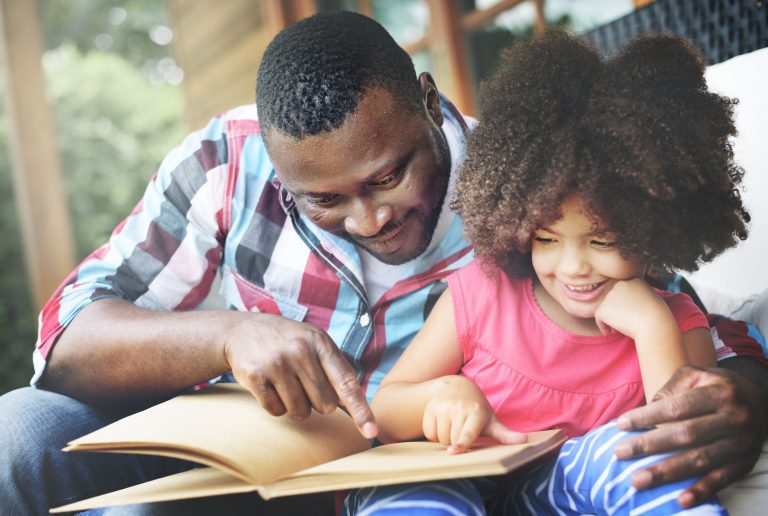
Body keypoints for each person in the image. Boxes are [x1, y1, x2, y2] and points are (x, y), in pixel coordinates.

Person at [0, 11, 765, 515]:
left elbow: (687, 323)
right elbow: (66, 343)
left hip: (393, 478)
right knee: (19, 436)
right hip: (233, 452)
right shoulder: (224, 163)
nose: (369, 218)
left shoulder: (527, 187)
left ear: (429, 104)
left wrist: (743, 394)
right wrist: (226, 336)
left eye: (389, 176)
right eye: (323, 200)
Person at [344, 29, 751, 515]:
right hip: (457, 476)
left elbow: (681, 449)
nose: (574, 267)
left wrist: (651, 326)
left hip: (559, 491)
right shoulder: (483, 293)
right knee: (405, 496)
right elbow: (384, 413)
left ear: (655, 231)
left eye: (603, 241)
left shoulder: (677, 322)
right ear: (516, 223)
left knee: (630, 462)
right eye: (547, 239)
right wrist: (443, 395)